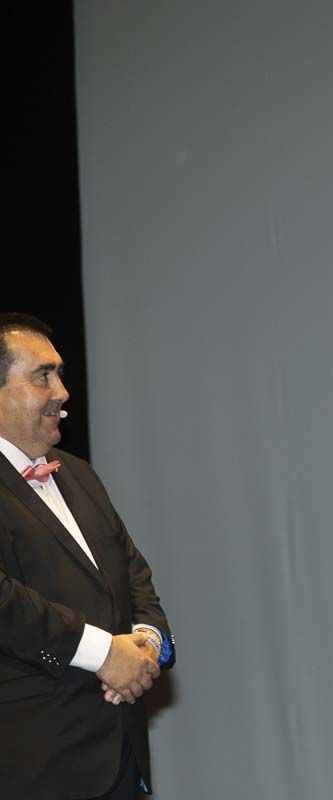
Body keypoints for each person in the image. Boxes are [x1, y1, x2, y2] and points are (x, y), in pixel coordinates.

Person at [0, 313, 175, 800]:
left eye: (60, 374)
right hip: (31, 771)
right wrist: (103, 654)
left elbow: (133, 574)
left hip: (119, 761)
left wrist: (144, 644)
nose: (62, 392)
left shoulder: (78, 474)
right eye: (42, 376)